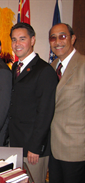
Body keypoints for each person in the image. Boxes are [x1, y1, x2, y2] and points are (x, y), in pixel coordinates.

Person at [8, 22, 58, 183]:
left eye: (22, 39)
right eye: (14, 40)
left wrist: (36, 147)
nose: (17, 44)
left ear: (33, 40)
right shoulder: (16, 66)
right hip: (15, 143)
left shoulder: (44, 71)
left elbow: (45, 112)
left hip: (33, 148)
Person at [49, 23, 85, 183]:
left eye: (62, 36)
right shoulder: (51, 67)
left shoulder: (83, 65)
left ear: (73, 39)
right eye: (53, 38)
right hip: (53, 146)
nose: (57, 42)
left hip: (76, 147)